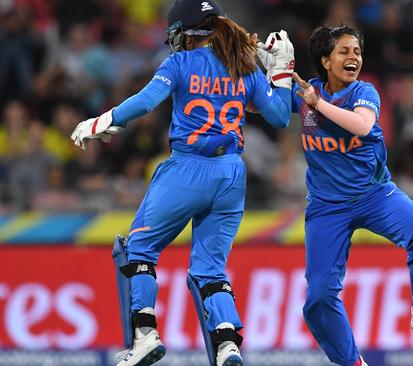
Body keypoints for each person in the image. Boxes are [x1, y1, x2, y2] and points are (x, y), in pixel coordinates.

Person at [70, 1, 294, 365]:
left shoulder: (179, 62)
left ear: (187, 31)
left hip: (187, 169)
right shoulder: (245, 67)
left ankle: (144, 335)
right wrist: (281, 74)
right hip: (232, 173)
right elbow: (282, 117)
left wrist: (105, 119)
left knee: (137, 250)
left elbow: (146, 101)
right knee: (210, 269)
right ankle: (227, 345)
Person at [283, 25, 413, 366]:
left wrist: (317, 104)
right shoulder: (304, 91)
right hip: (326, 208)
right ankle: (351, 362)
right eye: (345, 52)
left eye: (357, 51)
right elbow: (261, 105)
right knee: (317, 299)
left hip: (374, 194)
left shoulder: (365, 91)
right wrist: (268, 69)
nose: (354, 58)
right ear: (326, 60)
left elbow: (361, 125)